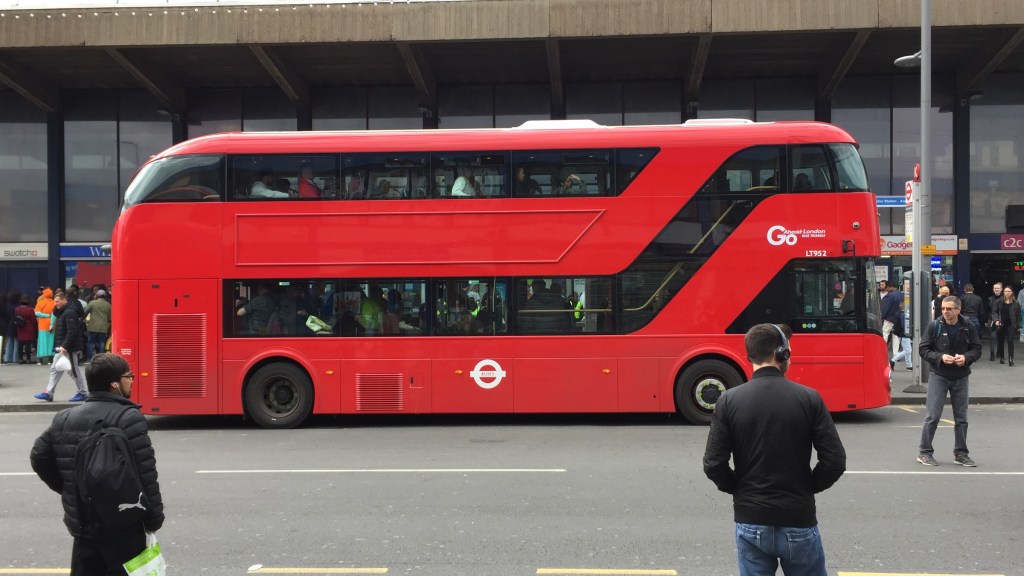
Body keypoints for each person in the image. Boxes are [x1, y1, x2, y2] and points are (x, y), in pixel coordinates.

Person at [703, 323, 846, 576]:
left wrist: (739, 488)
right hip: (798, 517)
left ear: (749, 356)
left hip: (750, 520)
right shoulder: (809, 398)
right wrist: (809, 485)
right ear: (782, 353)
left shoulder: (728, 400)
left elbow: (714, 463)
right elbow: (834, 461)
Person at [30, 352, 164, 576]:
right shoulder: (128, 418)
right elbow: (144, 473)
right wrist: (154, 517)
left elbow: (39, 457)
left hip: (83, 525)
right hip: (123, 528)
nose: (131, 379)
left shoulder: (64, 418)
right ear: (114, 384)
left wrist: (69, 488)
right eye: (128, 376)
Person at [917, 295, 982, 467]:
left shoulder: (968, 326)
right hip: (939, 376)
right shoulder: (934, 325)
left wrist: (966, 358)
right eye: (943, 309)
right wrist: (940, 357)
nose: (945, 312)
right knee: (933, 416)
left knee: (961, 419)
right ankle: (924, 452)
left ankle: (961, 453)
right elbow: (923, 349)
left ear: (958, 309)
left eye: (949, 309)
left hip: (960, 377)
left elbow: (977, 349)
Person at [35, 293, 88, 403]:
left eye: (57, 301)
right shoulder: (65, 311)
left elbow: (72, 331)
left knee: (73, 370)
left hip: (67, 347)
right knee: (56, 369)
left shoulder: (69, 312)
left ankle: (82, 392)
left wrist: (64, 346)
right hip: (64, 346)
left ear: (64, 300)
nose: (55, 304)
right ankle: (49, 393)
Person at [991, 285, 1021, 366]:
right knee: (1000, 341)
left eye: (1008, 291)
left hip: (1011, 324)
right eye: (1005, 291)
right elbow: (994, 312)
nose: (1007, 293)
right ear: (1003, 292)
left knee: (1010, 340)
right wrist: (996, 320)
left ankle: (1011, 358)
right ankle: (1002, 357)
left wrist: (1019, 326)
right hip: (1001, 323)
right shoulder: (999, 301)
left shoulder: (1015, 302)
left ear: (1012, 292)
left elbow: (1018, 315)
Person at [84, 290, 112, 361]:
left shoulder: (92, 303)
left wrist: (84, 320)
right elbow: (110, 317)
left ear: (97, 295)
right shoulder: (108, 305)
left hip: (92, 326)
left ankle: (89, 358)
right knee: (102, 343)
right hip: (103, 327)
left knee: (90, 343)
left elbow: (85, 312)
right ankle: (101, 359)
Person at [879, 281, 903, 361]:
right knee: (896, 337)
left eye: (888, 288)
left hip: (889, 318)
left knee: (885, 334)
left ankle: (881, 353)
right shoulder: (900, 294)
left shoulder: (890, 295)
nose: (887, 289)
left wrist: (882, 316)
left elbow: (886, 308)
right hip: (897, 318)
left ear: (890, 287)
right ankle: (896, 355)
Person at [34, 288, 56, 365]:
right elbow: (55, 314)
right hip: (52, 325)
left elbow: (37, 313)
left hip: (42, 325)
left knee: (42, 342)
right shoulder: (54, 303)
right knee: (51, 342)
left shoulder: (40, 303)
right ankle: (50, 359)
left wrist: (45, 315)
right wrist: (50, 318)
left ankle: (40, 359)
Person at [15, 295, 39, 363]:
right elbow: (33, 320)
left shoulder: (17, 309)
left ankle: (20, 359)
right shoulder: (30, 309)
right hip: (29, 327)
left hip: (20, 327)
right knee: (28, 343)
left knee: (20, 344)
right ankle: (28, 359)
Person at [890, 305, 913, 371]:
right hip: (905, 335)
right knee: (907, 350)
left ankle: (909, 365)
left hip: (903, 335)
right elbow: (904, 326)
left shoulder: (901, 314)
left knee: (908, 350)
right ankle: (893, 360)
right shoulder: (904, 315)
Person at [987, 282, 1003, 361]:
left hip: (1002, 319)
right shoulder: (989, 299)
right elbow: (987, 310)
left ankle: (999, 353)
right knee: (992, 337)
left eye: (998, 288)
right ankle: (992, 354)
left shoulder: (1004, 299)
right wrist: (986, 321)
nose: (996, 289)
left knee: (1000, 336)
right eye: (995, 288)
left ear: (1001, 289)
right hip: (991, 319)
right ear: (993, 289)